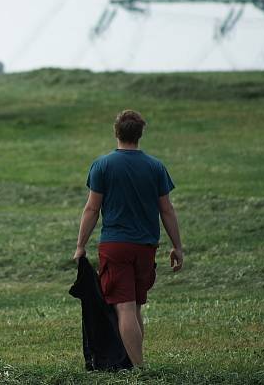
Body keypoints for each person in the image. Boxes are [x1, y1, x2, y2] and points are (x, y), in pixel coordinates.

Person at [73, 109, 183, 369]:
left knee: (124, 307)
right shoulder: (155, 166)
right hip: (145, 246)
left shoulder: (103, 165)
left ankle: (139, 368)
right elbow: (166, 209)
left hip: (115, 246)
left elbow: (92, 209)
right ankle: (133, 361)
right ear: (140, 134)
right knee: (134, 308)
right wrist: (177, 246)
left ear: (116, 132)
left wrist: (80, 246)